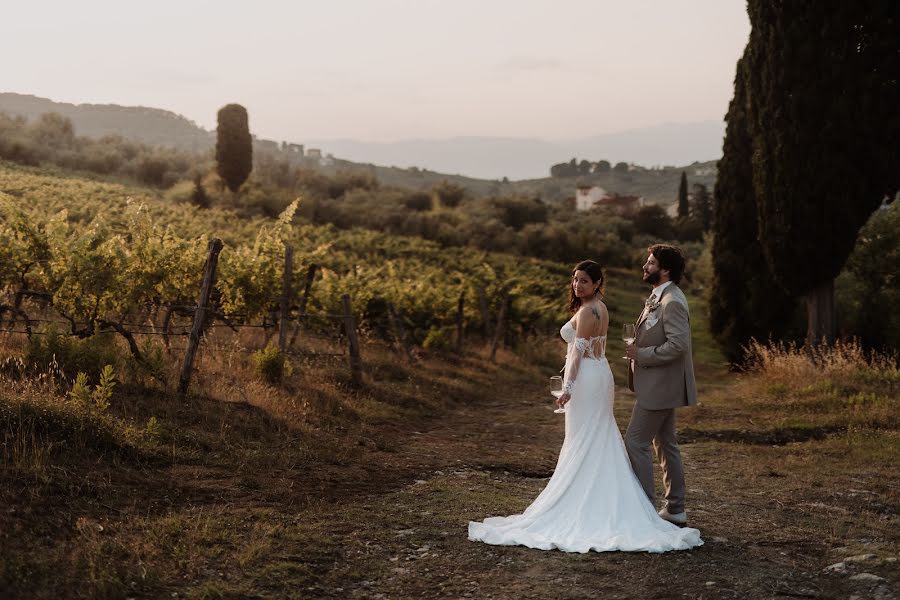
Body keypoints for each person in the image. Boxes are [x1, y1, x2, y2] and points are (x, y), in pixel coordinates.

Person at [468, 260, 702, 553]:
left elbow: (577, 354)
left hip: (587, 378)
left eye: (584, 281)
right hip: (598, 373)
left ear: (597, 283)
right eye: (575, 280)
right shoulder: (599, 308)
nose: (577, 285)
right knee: (595, 437)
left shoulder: (589, 311)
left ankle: (616, 504)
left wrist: (567, 389)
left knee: (584, 439)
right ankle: (632, 502)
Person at [625, 244, 697, 526]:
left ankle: (644, 511)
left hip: (660, 385)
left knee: (635, 442)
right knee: (665, 444)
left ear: (665, 269)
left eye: (651, 262)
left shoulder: (673, 301)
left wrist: (641, 355)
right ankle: (675, 509)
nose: (645, 265)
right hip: (660, 384)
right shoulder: (660, 296)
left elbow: (679, 345)